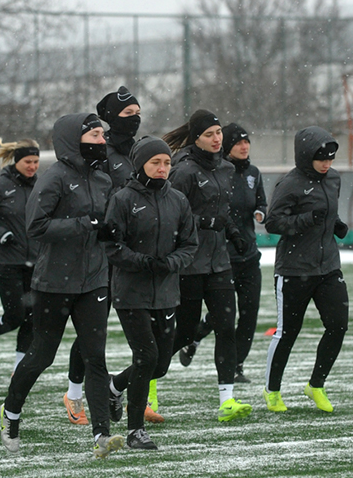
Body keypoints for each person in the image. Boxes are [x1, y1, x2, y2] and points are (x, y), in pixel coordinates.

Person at [0, 113, 124, 458]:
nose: (101, 141)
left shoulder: (103, 178)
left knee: (95, 358)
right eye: (94, 135)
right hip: (54, 282)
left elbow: (107, 221)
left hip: (95, 280)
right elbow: (36, 227)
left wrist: (112, 229)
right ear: (74, 141)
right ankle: (11, 413)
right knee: (42, 354)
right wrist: (85, 223)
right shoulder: (54, 177)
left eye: (102, 135)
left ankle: (101, 435)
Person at [105, 136, 198, 450]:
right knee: (146, 357)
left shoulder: (178, 200)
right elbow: (111, 245)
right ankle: (135, 431)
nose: (162, 168)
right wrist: (142, 263)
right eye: (155, 162)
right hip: (131, 292)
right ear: (140, 164)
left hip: (166, 293)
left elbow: (190, 245)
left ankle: (115, 385)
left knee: (160, 364)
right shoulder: (121, 199)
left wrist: (170, 263)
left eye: (167, 163)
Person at [162, 109, 252, 422]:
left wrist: (233, 232)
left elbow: (222, 211)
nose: (217, 139)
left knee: (227, 326)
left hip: (219, 263)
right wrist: (203, 222)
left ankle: (227, 400)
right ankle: (140, 379)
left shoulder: (227, 168)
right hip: (189, 264)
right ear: (196, 138)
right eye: (210, 134)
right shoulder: (183, 170)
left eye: (218, 133)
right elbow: (170, 215)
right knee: (184, 334)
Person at [63, 86, 145, 425]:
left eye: (138, 112)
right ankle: (73, 394)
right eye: (128, 114)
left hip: (136, 251)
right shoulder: (99, 152)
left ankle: (141, 395)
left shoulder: (141, 149)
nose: (136, 119)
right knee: (92, 330)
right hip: (104, 252)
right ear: (110, 118)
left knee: (146, 330)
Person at [263, 126, 349, 413]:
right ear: (305, 156)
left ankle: (316, 385)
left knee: (338, 325)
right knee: (288, 332)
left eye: (331, 159)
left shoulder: (333, 179)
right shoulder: (289, 184)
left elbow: (327, 210)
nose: (327, 164)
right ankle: (272, 391)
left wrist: (335, 224)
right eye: (321, 158)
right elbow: (273, 223)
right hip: (293, 269)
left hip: (328, 267)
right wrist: (308, 219)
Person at [179, 124, 267, 384]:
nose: (244, 146)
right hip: (221, 256)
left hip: (248, 254)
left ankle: (236, 365)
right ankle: (195, 336)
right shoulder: (218, 172)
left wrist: (262, 211)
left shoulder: (253, 173)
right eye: (238, 142)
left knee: (249, 313)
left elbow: (261, 201)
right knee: (225, 315)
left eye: (247, 141)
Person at [0, 139, 40, 373]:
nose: (33, 166)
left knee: (33, 318)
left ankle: (19, 368)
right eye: (28, 161)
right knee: (15, 315)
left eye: (36, 161)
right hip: (8, 262)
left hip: (36, 263)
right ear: (17, 161)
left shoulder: (42, 186)